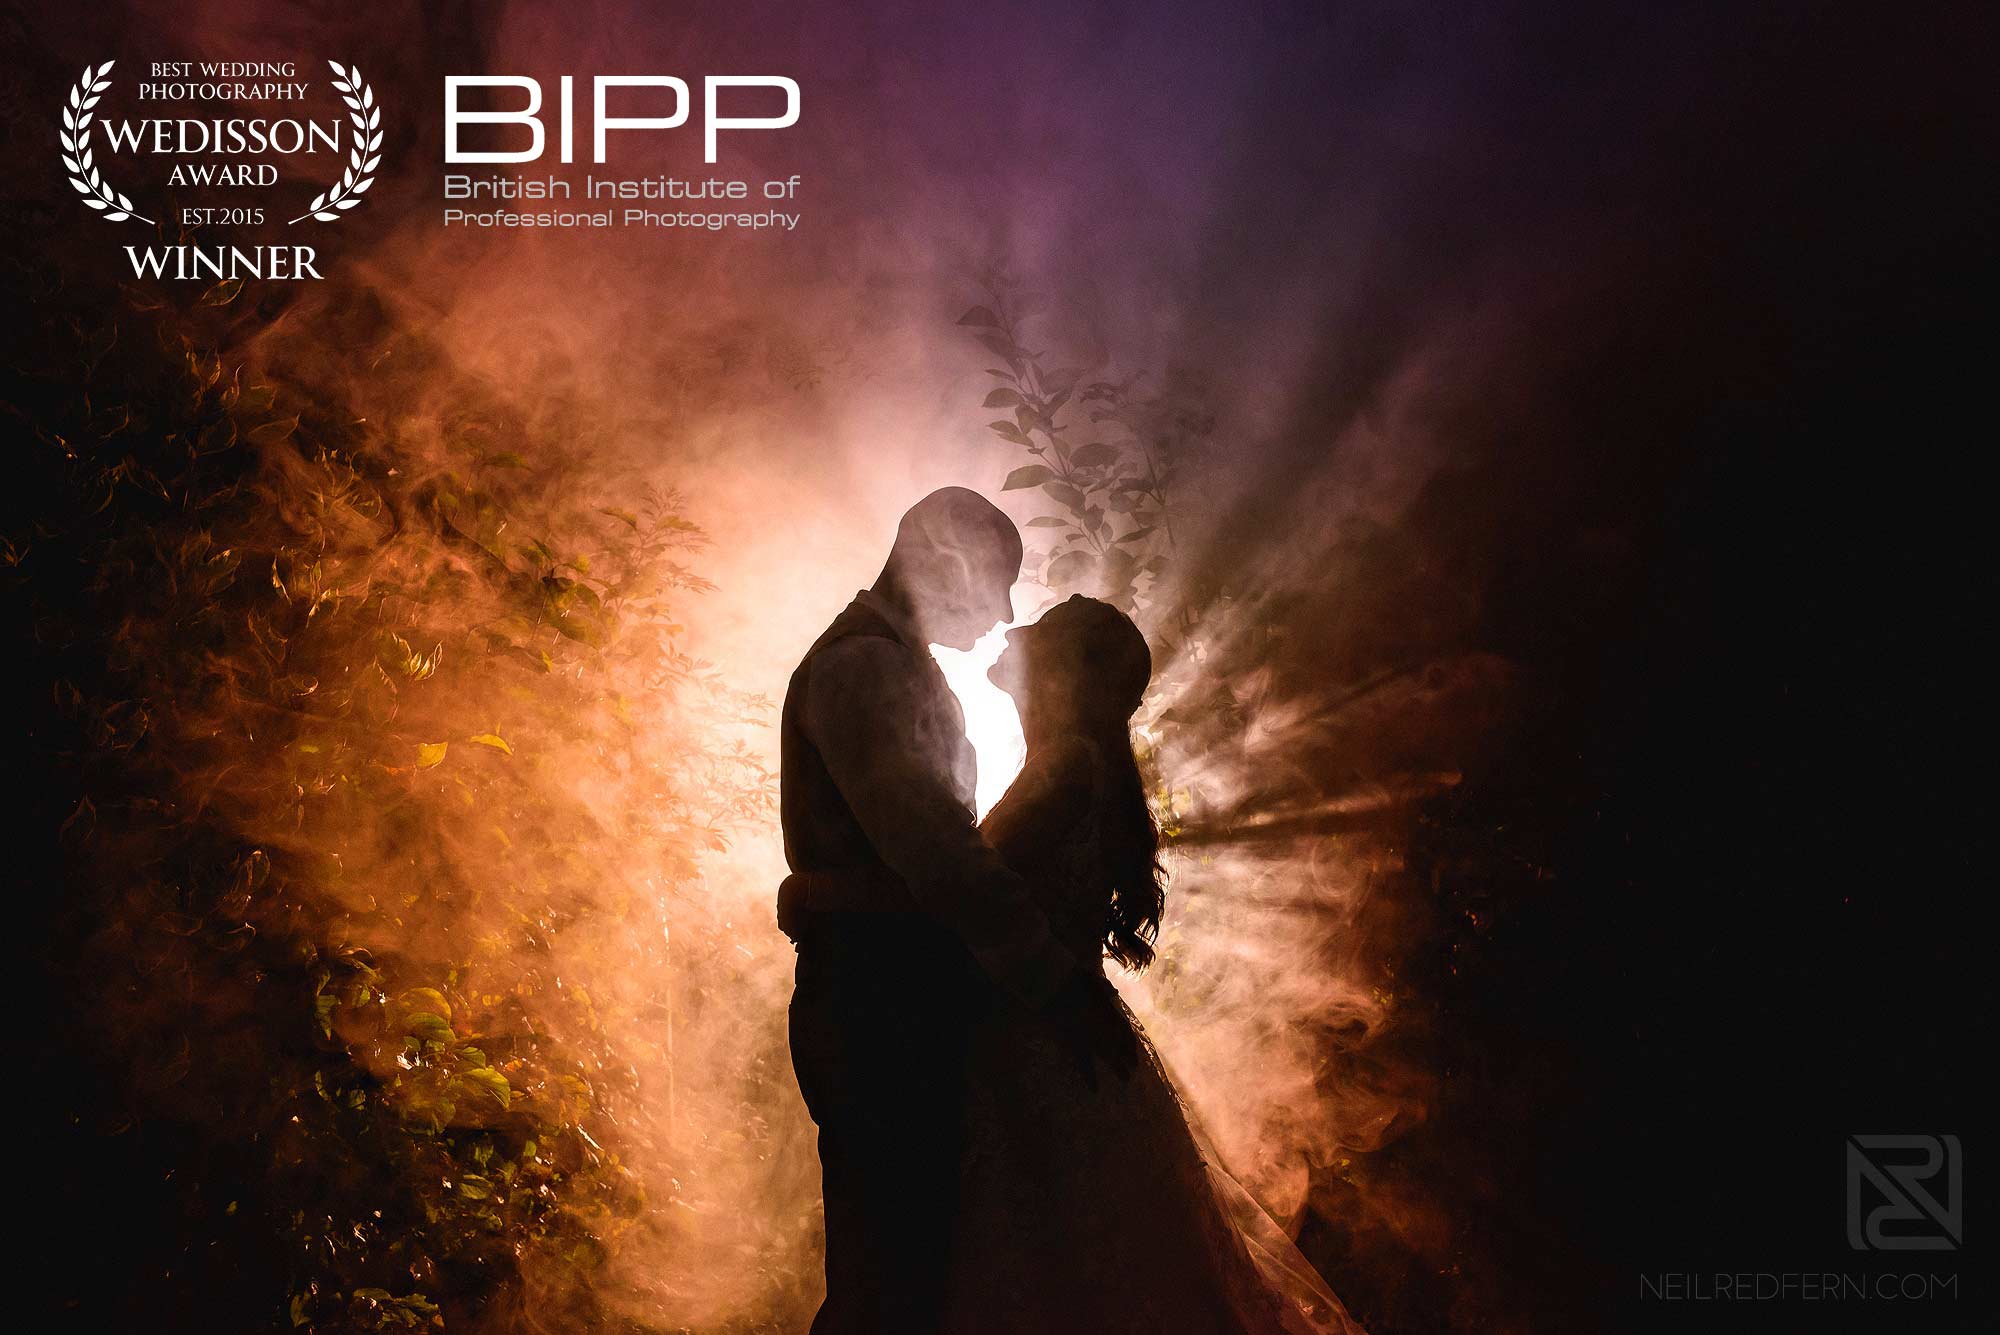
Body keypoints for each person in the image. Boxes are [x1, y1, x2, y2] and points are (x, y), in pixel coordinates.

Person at [786, 594, 1364, 1335]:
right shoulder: (1072, 766)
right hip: (1056, 1047)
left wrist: (815, 889)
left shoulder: (1062, 769)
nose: (1013, 627)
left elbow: (959, 892)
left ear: (1062, 671)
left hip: (1034, 1054)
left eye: (1044, 627)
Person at [779, 489, 1135, 1334]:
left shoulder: (896, 668)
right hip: (875, 1007)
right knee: (890, 1281)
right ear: (944, 561)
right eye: (997, 582)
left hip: (893, 1001)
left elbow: (943, 854)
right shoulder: (863, 669)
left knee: (908, 1273)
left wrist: (820, 893)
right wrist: (1054, 979)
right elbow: (942, 857)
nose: (1004, 612)